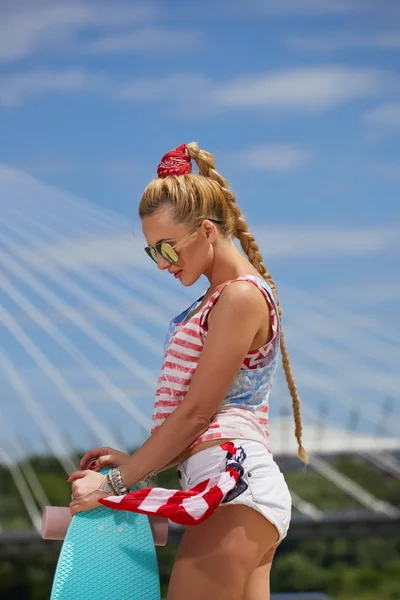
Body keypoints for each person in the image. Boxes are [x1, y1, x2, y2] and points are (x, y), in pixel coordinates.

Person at [67, 142, 307, 600]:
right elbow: (204, 422)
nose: (161, 263)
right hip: (233, 485)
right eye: (151, 251)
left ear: (207, 231)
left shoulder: (239, 298)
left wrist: (115, 484)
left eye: (167, 247)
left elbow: (198, 414)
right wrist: (138, 461)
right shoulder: (222, 298)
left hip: (233, 487)